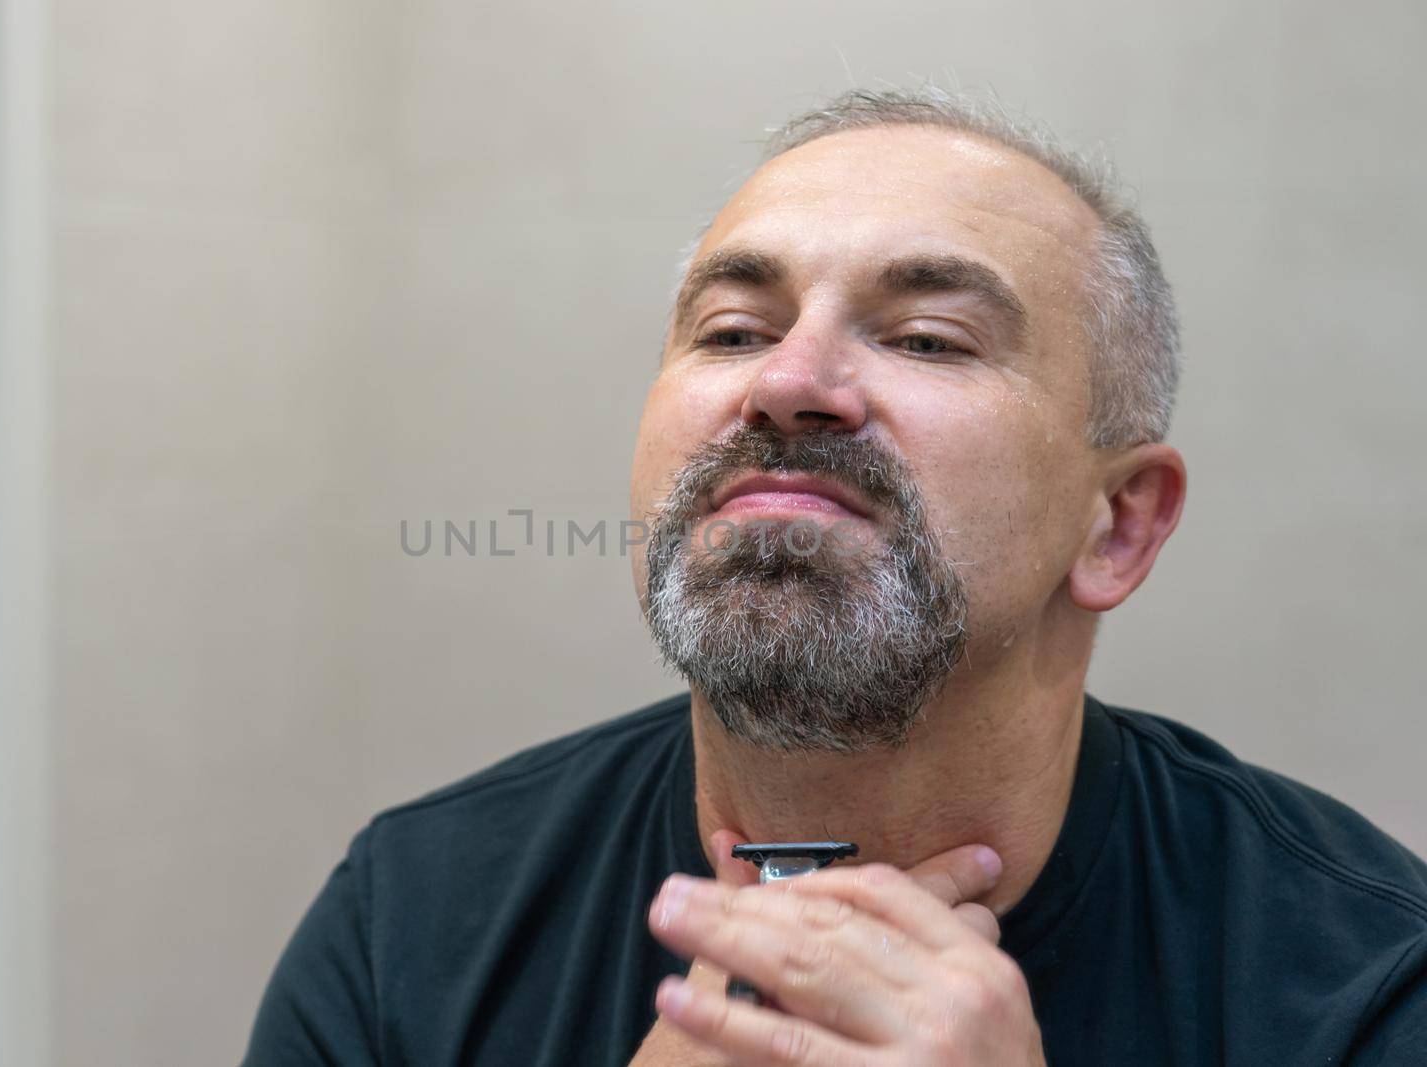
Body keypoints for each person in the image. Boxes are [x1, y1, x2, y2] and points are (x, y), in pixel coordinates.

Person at [241, 87, 1427, 1066]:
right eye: (732, 330)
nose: (788, 381)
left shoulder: (1365, 985)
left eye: (924, 339)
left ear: (1116, 523)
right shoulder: (409, 922)